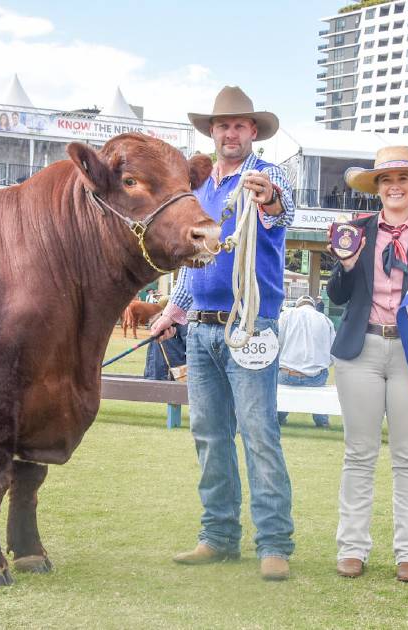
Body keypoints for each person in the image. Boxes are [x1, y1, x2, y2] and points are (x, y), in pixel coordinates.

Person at [149, 86, 296, 581]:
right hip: (202, 328)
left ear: (253, 132)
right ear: (211, 132)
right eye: (221, 125)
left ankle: (273, 543)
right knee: (209, 435)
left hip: (252, 323)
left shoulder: (266, 177)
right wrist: (173, 308)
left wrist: (269, 200)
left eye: (238, 125)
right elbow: (193, 264)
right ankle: (218, 535)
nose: (229, 133)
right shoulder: (199, 190)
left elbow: (282, 212)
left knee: (258, 434)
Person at [325, 145, 408, 582]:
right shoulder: (353, 231)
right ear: (376, 188)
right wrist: (344, 265)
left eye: (403, 178)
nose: (394, 186)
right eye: (385, 179)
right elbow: (337, 297)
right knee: (358, 453)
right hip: (360, 350)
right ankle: (352, 548)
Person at [276, 295, 336, 428]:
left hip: (287, 374)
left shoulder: (286, 315)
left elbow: (276, 342)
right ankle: (322, 421)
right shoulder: (325, 320)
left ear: (297, 305)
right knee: (321, 378)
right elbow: (333, 351)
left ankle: (279, 417)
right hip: (315, 377)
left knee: (281, 386)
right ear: (314, 306)